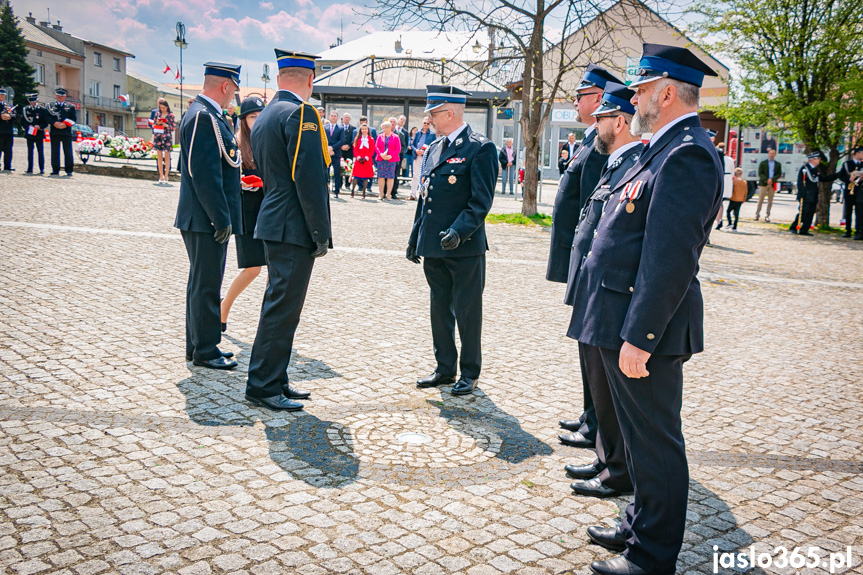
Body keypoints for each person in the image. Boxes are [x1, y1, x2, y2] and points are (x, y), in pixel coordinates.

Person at [568, 44, 722, 575]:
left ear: (666, 92)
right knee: (636, 439)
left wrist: (642, 338)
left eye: (639, 89)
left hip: (645, 328)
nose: (632, 98)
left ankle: (652, 556)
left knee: (656, 444)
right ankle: (638, 525)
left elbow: (669, 261)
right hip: (621, 320)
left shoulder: (689, 154)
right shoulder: (662, 148)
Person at [563, 81, 642, 501]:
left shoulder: (635, 162)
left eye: (602, 119)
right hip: (596, 286)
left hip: (613, 291)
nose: (595, 127)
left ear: (620, 120)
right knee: (599, 384)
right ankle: (606, 459)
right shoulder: (615, 161)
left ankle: (616, 471)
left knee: (612, 393)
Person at [245, 49, 331, 412]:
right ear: (310, 80)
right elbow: (309, 179)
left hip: (274, 218)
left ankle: (274, 378)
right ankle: (263, 385)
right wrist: (320, 233)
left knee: (280, 305)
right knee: (282, 308)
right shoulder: (302, 113)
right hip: (293, 225)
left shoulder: (265, 116)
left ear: (280, 79)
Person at [549, 63, 623, 453]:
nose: (577, 103)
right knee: (585, 343)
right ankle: (589, 413)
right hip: (579, 256)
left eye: (581, 96)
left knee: (591, 345)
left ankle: (596, 420)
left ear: (598, 97)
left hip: (592, 258)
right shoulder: (591, 139)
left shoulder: (602, 142)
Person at [406, 85, 497, 396]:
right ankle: (445, 368)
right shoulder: (434, 149)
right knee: (439, 308)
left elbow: (481, 202)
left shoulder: (480, 148)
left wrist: (459, 231)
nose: (428, 120)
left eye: (433, 113)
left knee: (468, 311)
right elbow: (425, 199)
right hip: (434, 245)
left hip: (465, 247)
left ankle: (470, 372)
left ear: (450, 113)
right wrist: (415, 236)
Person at [174, 62, 244, 370]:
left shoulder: (208, 114)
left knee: (202, 282)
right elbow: (201, 173)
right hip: (205, 219)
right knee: (206, 284)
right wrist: (220, 217)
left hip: (203, 217)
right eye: (234, 91)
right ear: (226, 86)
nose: (233, 98)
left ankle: (199, 344)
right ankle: (204, 349)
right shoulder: (204, 116)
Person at [220, 97, 267, 331]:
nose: (257, 120)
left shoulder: (270, 141)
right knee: (253, 268)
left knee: (275, 269)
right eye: (252, 116)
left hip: (269, 210)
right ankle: (224, 307)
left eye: (260, 115)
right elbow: (225, 178)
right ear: (243, 120)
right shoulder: (236, 143)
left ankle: (269, 321)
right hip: (247, 212)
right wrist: (240, 183)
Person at [791, 152, 838, 236]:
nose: (819, 160)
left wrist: (836, 175)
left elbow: (823, 179)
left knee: (811, 213)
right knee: (804, 212)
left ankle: (805, 229)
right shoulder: (805, 169)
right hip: (806, 195)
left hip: (813, 195)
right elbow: (800, 182)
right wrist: (801, 194)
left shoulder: (815, 169)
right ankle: (794, 227)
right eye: (818, 159)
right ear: (812, 159)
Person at [47, 87, 76, 177]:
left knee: (67, 151)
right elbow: (47, 117)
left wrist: (65, 124)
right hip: (55, 131)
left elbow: (73, 119)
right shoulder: (50, 106)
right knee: (55, 151)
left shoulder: (71, 106)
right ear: (55, 95)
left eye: (62, 95)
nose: (60, 97)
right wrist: (54, 123)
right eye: (58, 95)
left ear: (65, 96)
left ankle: (69, 170)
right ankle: (55, 170)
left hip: (66, 132)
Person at [837, 146, 863, 238]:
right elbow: (841, 176)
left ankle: (859, 231)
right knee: (848, 211)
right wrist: (848, 179)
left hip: (860, 191)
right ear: (857, 153)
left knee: (860, 212)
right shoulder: (847, 164)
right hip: (849, 190)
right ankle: (848, 230)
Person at [150, 98, 176, 186]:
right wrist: (157, 123)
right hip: (158, 135)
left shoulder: (171, 115)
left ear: (167, 107)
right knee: (159, 157)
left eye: (163, 108)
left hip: (167, 136)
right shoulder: (157, 114)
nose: (162, 109)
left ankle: (166, 176)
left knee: (167, 156)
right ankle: (160, 176)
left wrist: (165, 125)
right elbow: (153, 124)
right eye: (161, 108)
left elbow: (173, 127)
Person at [21, 93, 48, 175]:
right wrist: (28, 126)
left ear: (37, 100)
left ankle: (41, 168)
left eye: (34, 101)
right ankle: (30, 168)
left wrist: (39, 126)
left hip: (39, 133)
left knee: (40, 152)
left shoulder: (42, 110)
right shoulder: (26, 109)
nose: (32, 103)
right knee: (30, 151)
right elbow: (23, 121)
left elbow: (45, 123)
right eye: (31, 101)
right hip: (30, 133)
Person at [754, 147, 783, 222]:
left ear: (775, 154)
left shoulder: (777, 164)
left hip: (772, 184)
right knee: (760, 200)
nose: (771, 155)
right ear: (768, 154)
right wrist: (766, 180)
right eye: (770, 153)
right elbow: (760, 173)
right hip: (764, 183)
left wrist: (772, 180)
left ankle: (767, 215)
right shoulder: (763, 163)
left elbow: (779, 174)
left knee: (770, 200)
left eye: (773, 153)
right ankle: (757, 214)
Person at [375, 120, 401, 200]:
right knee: (381, 177)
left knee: (390, 177)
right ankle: (381, 194)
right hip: (381, 159)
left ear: (390, 128)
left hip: (391, 160)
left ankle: (388, 194)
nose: (384, 130)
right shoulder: (380, 136)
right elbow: (376, 147)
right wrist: (381, 154)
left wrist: (391, 156)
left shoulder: (396, 137)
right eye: (383, 128)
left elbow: (398, 149)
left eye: (385, 128)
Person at [411, 117, 435, 200]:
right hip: (416, 156)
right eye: (425, 123)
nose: (426, 125)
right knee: (415, 175)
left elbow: (434, 146)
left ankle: (421, 194)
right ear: (422, 123)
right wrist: (416, 150)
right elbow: (412, 144)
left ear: (430, 125)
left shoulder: (432, 134)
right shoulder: (417, 133)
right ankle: (412, 194)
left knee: (424, 176)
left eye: (428, 123)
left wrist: (424, 152)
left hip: (426, 157)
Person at [352, 123, 375, 198]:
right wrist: (358, 157)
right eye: (363, 129)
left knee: (365, 176)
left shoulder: (371, 139)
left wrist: (367, 157)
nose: (364, 130)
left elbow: (372, 150)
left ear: (368, 130)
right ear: (360, 130)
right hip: (359, 159)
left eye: (365, 129)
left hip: (367, 159)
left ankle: (364, 192)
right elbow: (355, 149)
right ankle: (352, 191)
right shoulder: (357, 138)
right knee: (355, 175)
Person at [713, 142, 734, 230]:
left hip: (721, 178)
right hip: (728, 179)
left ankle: (719, 220)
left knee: (718, 202)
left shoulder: (717, 158)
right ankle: (719, 220)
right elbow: (733, 171)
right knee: (720, 202)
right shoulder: (730, 159)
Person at [325, 110, 345, 197]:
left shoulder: (341, 128)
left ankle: (336, 191)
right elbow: (322, 139)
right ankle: (326, 189)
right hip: (326, 153)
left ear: (337, 118)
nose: (333, 117)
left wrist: (332, 148)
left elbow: (342, 140)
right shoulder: (324, 127)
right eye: (332, 116)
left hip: (336, 153)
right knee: (326, 172)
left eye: (335, 116)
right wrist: (327, 149)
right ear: (329, 117)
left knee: (337, 173)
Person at [0, 88, 16, 172]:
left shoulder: (8, 105)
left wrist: (10, 116)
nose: (2, 96)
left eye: (3, 94)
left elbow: (15, 114)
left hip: (8, 131)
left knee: (8, 150)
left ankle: (7, 166)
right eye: (0, 94)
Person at [340, 113, 355, 189]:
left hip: (349, 151)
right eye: (345, 117)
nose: (346, 119)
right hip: (340, 150)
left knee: (348, 166)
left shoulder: (353, 128)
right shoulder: (339, 127)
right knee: (340, 166)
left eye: (348, 117)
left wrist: (349, 145)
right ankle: (339, 184)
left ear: (350, 119)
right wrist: (341, 146)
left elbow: (354, 139)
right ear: (342, 118)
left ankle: (347, 184)